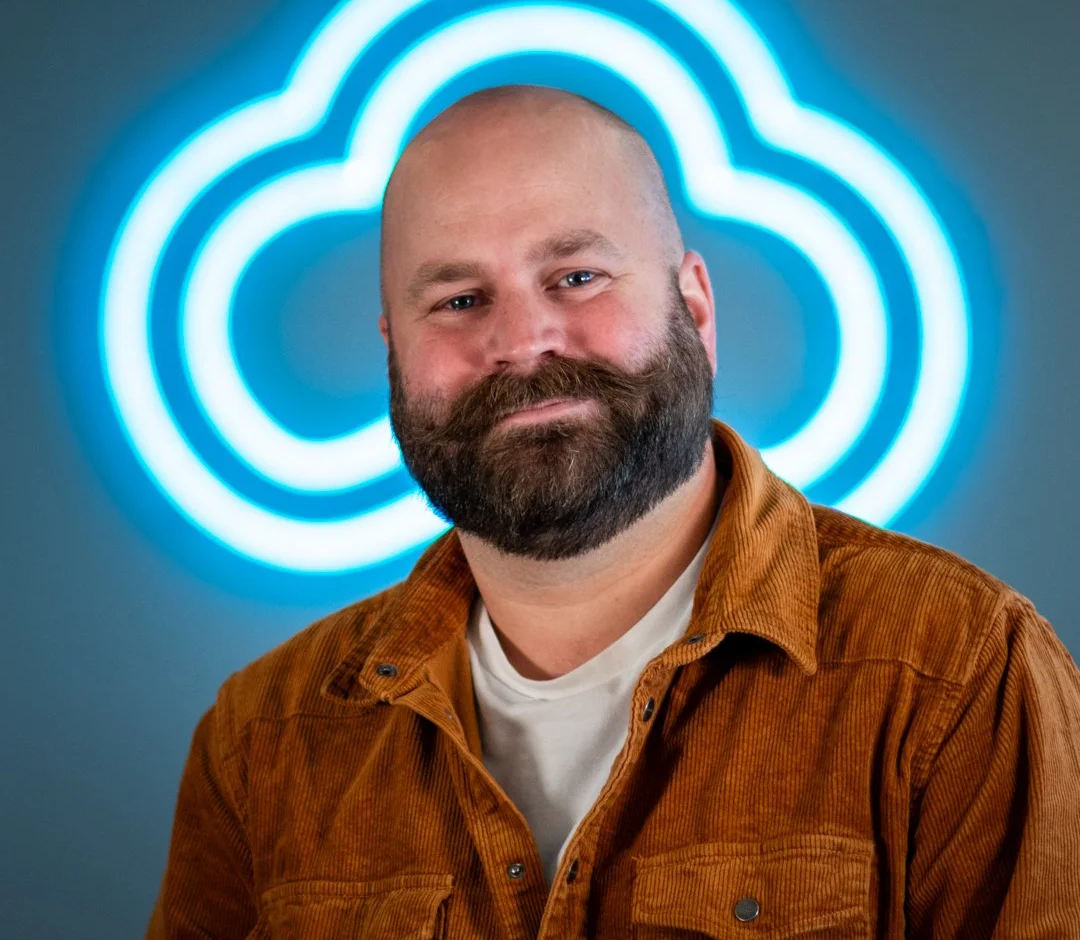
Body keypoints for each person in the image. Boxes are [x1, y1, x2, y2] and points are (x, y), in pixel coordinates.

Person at [147, 85, 1080, 939]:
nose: (520, 342)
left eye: (577, 277)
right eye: (460, 299)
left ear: (696, 308)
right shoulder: (263, 743)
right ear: (393, 355)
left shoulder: (959, 675)